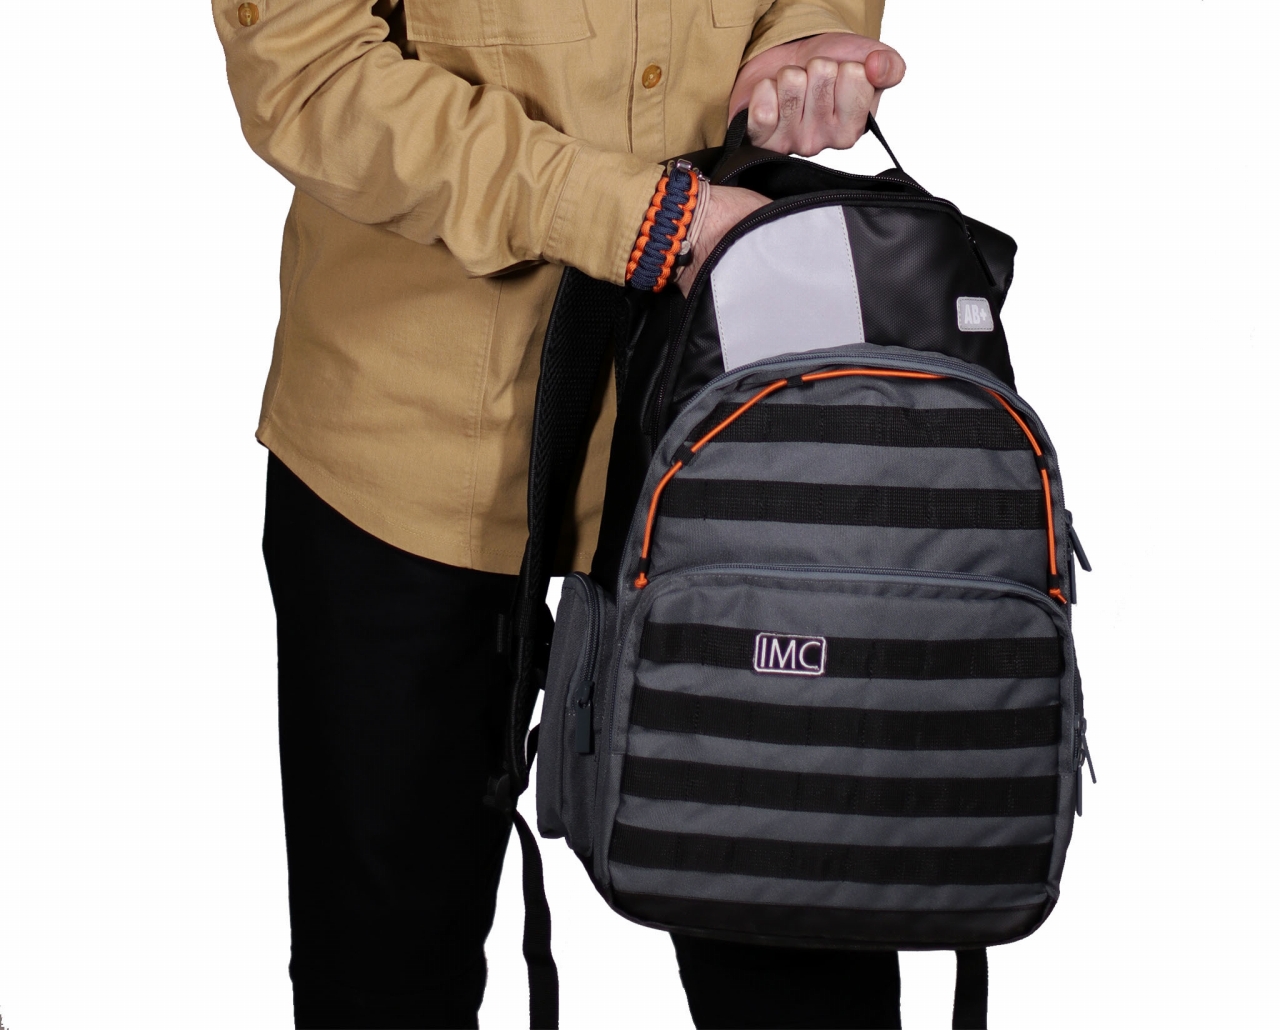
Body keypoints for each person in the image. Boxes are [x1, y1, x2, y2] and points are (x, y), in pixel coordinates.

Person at [214, 1, 905, 1026]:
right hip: (409, 451)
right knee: (385, 979)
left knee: (801, 972)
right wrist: (640, 218)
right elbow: (306, 73)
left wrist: (797, 44)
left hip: (734, 430)